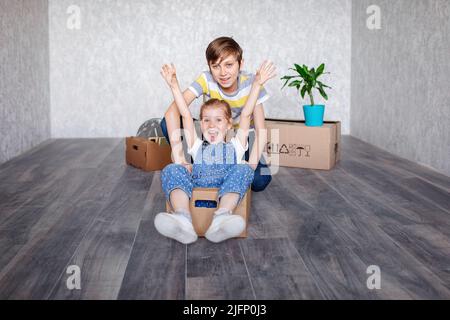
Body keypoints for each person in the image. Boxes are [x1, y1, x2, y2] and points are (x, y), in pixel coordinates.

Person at [155, 61, 276, 244]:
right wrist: (174, 85)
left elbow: (245, 114)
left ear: (228, 125)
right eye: (206, 121)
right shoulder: (196, 145)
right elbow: (185, 115)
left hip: (226, 187)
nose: (212, 126)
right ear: (201, 124)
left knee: (244, 169)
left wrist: (257, 84)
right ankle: (182, 217)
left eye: (218, 120)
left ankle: (222, 216)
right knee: (172, 168)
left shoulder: (237, 145)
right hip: (197, 187)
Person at [160, 37, 272, 192]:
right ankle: (201, 167)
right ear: (209, 67)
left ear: (241, 63)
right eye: (216, 66)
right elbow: (174, 113)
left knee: (260, 179)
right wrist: (180, 158)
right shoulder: (206, 79)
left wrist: (251, 165)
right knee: (167, 123)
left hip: (239, 140)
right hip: (210, 139)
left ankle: (222, 173)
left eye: (229, 65)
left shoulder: (252, 83)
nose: (223, 73)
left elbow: (260, 130)